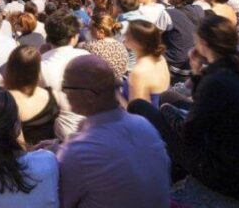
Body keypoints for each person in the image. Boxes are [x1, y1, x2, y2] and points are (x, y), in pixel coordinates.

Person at [128, 16, 239, 201]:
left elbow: (190, 135)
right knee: (168, 95)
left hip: (230, 177)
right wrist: (196, 72)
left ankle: (150, 168)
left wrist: (169, 114)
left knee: (139, 106)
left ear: (203, 43)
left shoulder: (217, 81)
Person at [57, 55, 171, 208]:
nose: (63, 91)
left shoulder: (78, 152)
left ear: (88, 96)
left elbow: (61, 201)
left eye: (66, 86)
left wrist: (57, 156)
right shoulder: (144, 126)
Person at [38, 13, 89, 140]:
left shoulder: (40, 65)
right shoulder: (86, 56)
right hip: (92, 126)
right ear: (74, 37)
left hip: (63, 132)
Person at [4, 45, 58, 147]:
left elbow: (18, 144)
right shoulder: (52, 95)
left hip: (24, 158)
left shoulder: (6, 100)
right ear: (38, 69)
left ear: (11, 69)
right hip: (50, 155)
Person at [122, 21, 170, 105]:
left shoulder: (139, 71)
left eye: (127, 34)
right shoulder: (161, 58)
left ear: (138, 43)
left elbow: (137, 111)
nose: (124, 35)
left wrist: (116, 94)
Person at [77, 14, 128, 79]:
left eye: (91, 29)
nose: (89, 31)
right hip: (117, 85)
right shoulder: (122, 47)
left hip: (98, 85)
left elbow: (80, 47)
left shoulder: (92, 46)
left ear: (100, 31)